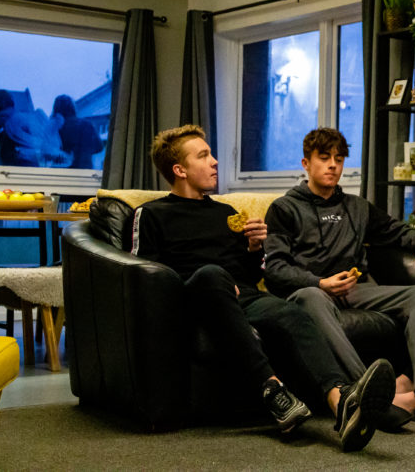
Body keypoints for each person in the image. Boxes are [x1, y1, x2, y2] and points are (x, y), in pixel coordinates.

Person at [132, 124, 394, 452]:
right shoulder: (151, 213)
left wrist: (254, 249)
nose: (214, 161)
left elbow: (247, 272)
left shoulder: (226, 214)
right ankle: (271, 388)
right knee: (213, 275)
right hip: (196, 296)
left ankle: (342, 404)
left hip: (243, 296)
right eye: (204, 156)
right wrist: (215, 283)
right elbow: (145, 273)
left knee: (294, 312)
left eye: (212, 154)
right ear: (179, 170)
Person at [263, 128, 415, 431]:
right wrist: (319, 282)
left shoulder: (357, 207)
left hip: (355, 289)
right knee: (311, 297)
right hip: (311, 290)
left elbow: (397, 230)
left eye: (339, 159)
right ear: (306, 163)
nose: (333, 165)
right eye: (324, 158)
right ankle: (371, 394)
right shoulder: (284, 208)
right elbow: (276, 268)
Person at [52, 94, 103, 169]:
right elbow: (99, 147)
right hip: (84, 170)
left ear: (56, 109)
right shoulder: (87, 124)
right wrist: (84, 152)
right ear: (72, 107)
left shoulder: (56, 127)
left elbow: (48, 150)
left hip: (62, 171)